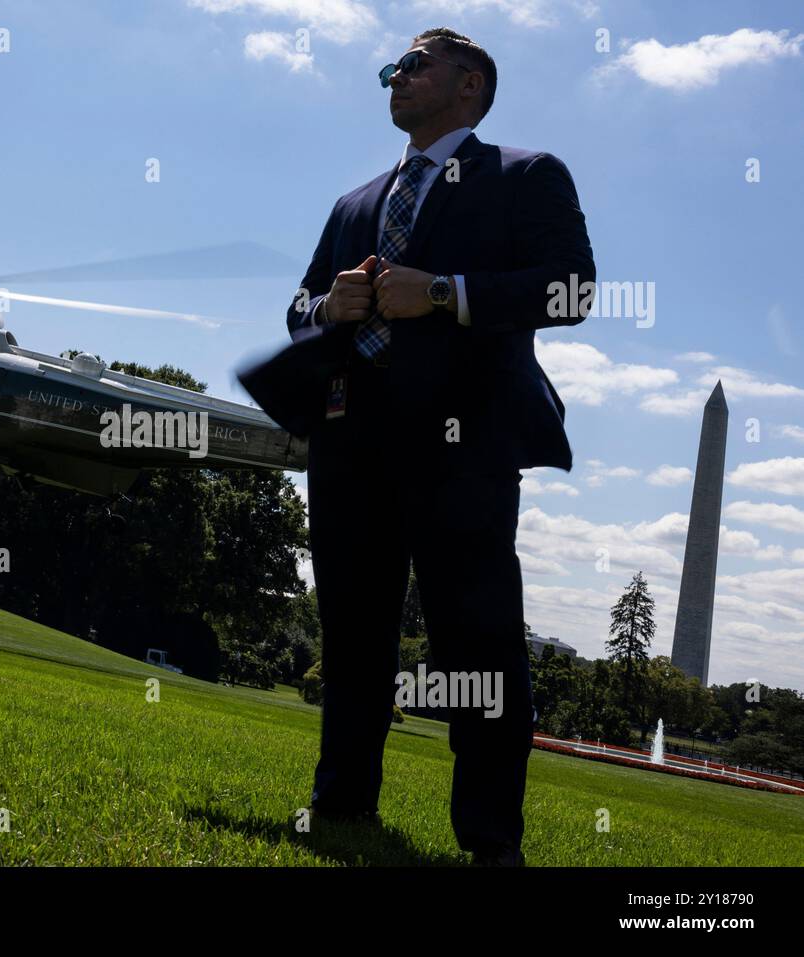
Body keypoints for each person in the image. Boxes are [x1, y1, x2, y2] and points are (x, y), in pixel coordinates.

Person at [238, 27, 595, 866]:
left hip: (461, 444)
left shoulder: (526, 175)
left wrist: (440, 292)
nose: (395, 77)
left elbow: (573, 288)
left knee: (477, 642)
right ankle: (342, 806)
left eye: (415, 64)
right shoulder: (355, 202)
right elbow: (298, 309)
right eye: (391, 69)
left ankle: (489, 841)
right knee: (353, 631)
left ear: (470, 84)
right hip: (348, 439)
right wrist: (334, 305)